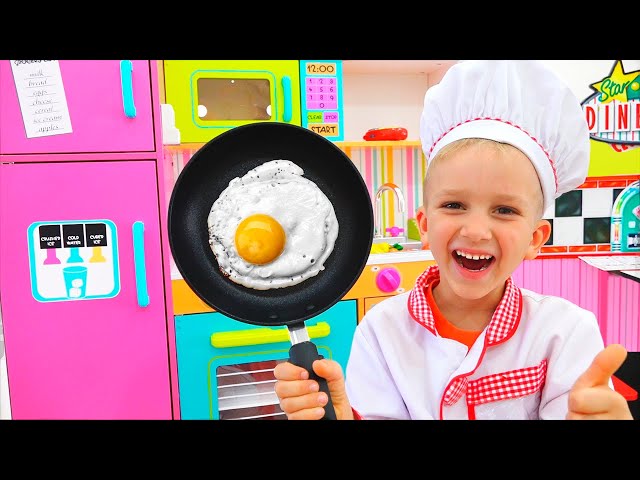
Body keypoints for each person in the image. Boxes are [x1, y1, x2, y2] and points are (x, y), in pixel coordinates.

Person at [274, 60, 634, 420]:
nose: (476, 230)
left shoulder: (565, 332)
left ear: (535, 238)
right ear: (425, 225)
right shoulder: (382, 331)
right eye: (454, 204)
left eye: (505, 210)